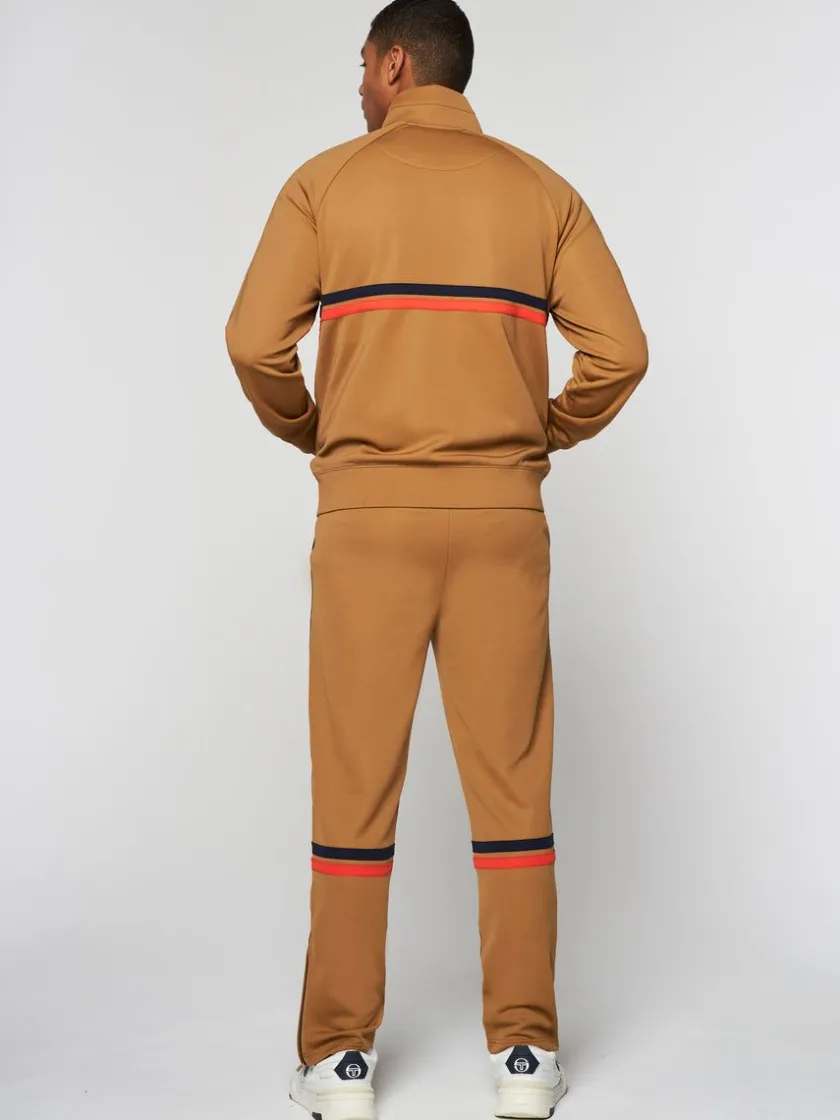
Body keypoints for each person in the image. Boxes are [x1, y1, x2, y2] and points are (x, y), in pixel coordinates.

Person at [225, 1, 648, 1116]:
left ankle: (339, 1061)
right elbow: (622, 351)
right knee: (513, 786)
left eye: (364, 64)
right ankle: (525, 1058)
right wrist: (537, 432)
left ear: (397, 64)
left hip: (368, 521)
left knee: (354, 786)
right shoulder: (542, 192)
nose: (357, 84)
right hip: (504, 520)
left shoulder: (325, 184)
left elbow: (252, 340)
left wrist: (320, 432)